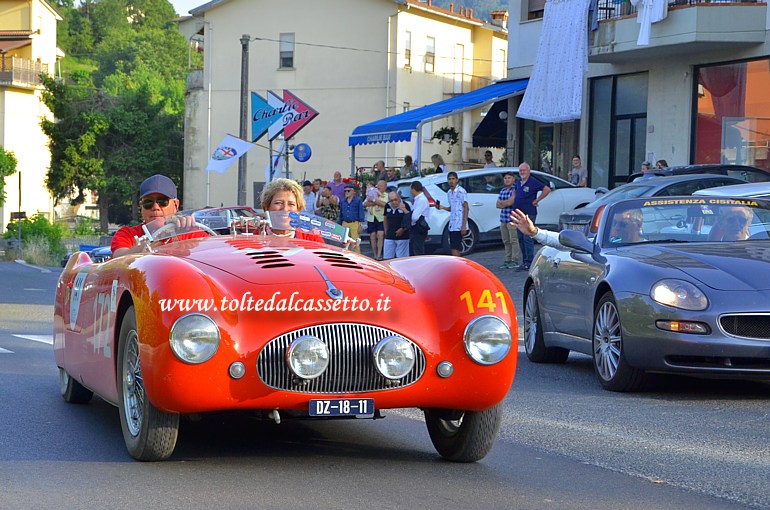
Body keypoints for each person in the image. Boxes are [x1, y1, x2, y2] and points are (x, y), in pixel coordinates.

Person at [111, 174, 198, 257]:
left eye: (162, 202)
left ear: (176, 205)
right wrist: (144, 248)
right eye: (148, 202)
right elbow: (119, 258)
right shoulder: (127, 235)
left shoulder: (192, 233)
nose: (155, 207)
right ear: (141, 206)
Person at [513, 162, 551, 271]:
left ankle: (530, 262)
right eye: (520, 170)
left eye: (524, 170)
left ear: (528, 171)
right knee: (520, 238)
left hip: (528, 214)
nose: (522, 172)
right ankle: (525, 261)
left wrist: (538, 200)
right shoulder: (519, 182)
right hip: (518, 214)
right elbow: (515, 192)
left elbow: (547, 189)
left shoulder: (533, 182)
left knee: (527, 238)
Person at [437, 171, 468, 257]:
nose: (451, 181)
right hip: (452, 224)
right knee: (454, 247)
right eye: (449, 179)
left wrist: (464, 225)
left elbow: (466, 207)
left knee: (455, 247)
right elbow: (453, 208)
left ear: (457, 180)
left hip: (459, 223)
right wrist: (442, 207)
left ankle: (458, 266)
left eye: (453, 179)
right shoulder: (449, 193)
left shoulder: (461, 191)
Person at [496, 171, 520, 269]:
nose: (507, 180)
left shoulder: (515, 189)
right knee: (506, 241)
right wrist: (506, 203)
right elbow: (497, 205)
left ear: (513, 179)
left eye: (509, 178)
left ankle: (515, 260)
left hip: (512, 219)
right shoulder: (503, 190)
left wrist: (505, 203)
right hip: (503, 219)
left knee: (513, 240)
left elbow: (511, 202)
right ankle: (508, 259)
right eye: (505, 178)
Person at [338, 183, 366, 253]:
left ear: (353, 191)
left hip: (354, 223)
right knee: (345, 243)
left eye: (348, 191)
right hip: (345, 223)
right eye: (345, 191)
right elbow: (341, 213)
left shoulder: (358, 200)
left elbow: (361, 212)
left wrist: (361, 225)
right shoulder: (343, 201)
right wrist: (340, 224)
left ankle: (357, 258)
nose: (346, 192)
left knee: (356, 242)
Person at [383, 191, 411, 259]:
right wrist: (386, 231)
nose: (394, 202)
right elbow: (385, 218)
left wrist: (403, 229)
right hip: (390, 236)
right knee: (387, 258)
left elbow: (409, 219)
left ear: (399, 197)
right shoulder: (387, 205)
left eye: (395, 200)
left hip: (402, 237)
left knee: (401, 259)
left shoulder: (405, 205)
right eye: (391, 200)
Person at [364, 179, 387, 260]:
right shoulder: (371, 193)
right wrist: (377, 202)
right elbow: (365, 203)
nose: (378, 187)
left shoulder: (386, 196)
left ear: (385, 187)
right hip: (371, 218)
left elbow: (385, 204)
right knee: (372, 236)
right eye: (378, 185)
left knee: (380, 235)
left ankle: (379, 255)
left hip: (381, 218)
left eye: (381, 185)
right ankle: (375, 254)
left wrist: (373, 200)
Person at [409, 181, 431, 256]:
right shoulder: (418, 199)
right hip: (418, 227)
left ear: (413, 189)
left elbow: (415, 217)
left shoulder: (421, 200)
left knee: (418, 250)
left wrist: (411, 222)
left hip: (418, 228)